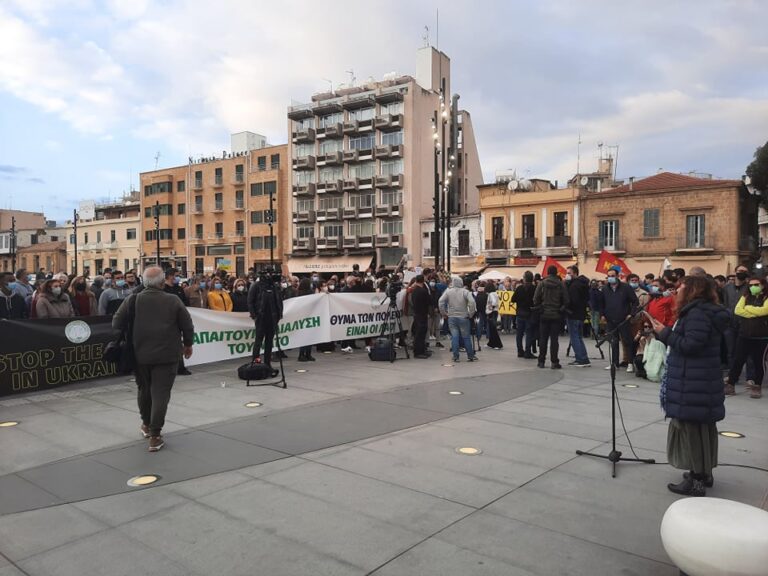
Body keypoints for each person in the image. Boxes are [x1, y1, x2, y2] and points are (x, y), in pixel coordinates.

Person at [647, 275, 728, 496]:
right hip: (699, 379)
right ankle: (703, 471)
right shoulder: (703, 311)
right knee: (701, 429)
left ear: (693, 290)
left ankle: (697, 480)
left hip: (693, 380)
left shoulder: (697, 314)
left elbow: (690, 345)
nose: (677, 290)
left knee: (691, 430)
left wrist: (665, 334)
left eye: (682, 286)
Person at [113, 266, 194, 452]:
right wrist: (188, 344)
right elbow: (187, 325)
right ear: (161, 282)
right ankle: (155, 436)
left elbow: (116, 322)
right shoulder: (172, 300)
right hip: (167, 354)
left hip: (139, 354)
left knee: (144, 390)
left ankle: (146, 425)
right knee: (161, 393)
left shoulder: (132, 299)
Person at [725, 276, 768, 398]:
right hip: (744, 335)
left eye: (756, 284)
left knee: (758, 362)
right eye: (751, 285)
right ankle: (730, 384)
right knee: (738, 360)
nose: (753, 287)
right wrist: (754, 313)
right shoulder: (745, 296)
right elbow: (738, 310)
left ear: (763, 285)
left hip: (761, 337)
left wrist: (748, 309)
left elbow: (765, 310)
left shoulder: (766, 297)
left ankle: (757, 386)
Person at [601, 266, 639, 370]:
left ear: (617, 276)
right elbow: (602, 303)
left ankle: (630, 363)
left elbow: (635, 301)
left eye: (612, 276)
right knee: (613, 341)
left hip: (623, 319)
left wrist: (631, 313)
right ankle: (614, 363)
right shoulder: (605, 289)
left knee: (627, 341)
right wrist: (603, 315)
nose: (610, 278)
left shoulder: (626, 287)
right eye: (608, 276)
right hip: (610, 319)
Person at [533, 265, 569, 369]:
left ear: (548, 273)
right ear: (556, 273)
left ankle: (541, 361)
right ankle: (554, 362)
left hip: (544, 314)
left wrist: (540, 307)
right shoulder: (561, 284)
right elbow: (566, 300)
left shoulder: (542, 284)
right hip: (556, 315)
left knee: (543, 338)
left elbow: (535, 299)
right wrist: (561, 309)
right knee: (554, 340)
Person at [248, 273, 284, 368]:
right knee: (258, 341)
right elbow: (250, 301)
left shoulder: (274, 287)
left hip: (272, 318)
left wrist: (279, 314)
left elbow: (279, 300)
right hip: (261, 317)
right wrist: (254, 315)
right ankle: (256, 362)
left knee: (269, 341)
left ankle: (267, 363)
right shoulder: (256, 286)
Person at [439, 276, 478, 362]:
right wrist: (471, 314)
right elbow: (472, 302)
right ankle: (470, 355)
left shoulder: (448, 291)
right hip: (464, 317)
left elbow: (441, 301)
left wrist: (444, 313)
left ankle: (455, 356)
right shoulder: (465, 291)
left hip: (452, 317)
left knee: (454, 336)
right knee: (466, 337)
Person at [565, 265, 590, 367]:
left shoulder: (574, 285)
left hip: (573, 314)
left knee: (575, 337)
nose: (567, 275)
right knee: (579, 337)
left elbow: (573, 301)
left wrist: (567, 306)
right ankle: (584, 358)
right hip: (581, 314)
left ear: (575, 273)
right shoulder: (582, 284)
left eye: (569, 273)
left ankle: (580, 359)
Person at [512, 271, 536, 358]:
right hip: (529, 313)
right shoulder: (534, 288)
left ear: (524, 278)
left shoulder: (519, 288)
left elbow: (512, 299)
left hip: (519, 313)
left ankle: (520, 351)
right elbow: (536, 300)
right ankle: (527, 352)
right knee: (529, 333)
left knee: (519, 334)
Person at [411, 275, 432, 358]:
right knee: (421, 333)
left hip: (417, 313)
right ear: (423, 281)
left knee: (419, 333)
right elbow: (429, 302)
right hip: (422, 314)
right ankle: (418, 352)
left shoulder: (414, 291)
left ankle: (421, 350)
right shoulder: (423, 291)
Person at [296, 278, 316, 362]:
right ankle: (307, 354)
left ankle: (302, 354)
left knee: (304, 336)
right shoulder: (310, 293)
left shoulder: (298, 293)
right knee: (308, 336)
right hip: (309, 315)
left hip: (302, 316)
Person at [485, 282, 503, 350]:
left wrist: (491, 308)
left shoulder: (491, 294)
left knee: (493, 329)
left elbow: (494, 302)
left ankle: (497, 344)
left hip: (492, 312)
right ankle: (491, 343)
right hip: (494, 312)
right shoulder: (495, 293)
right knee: (492, 329)